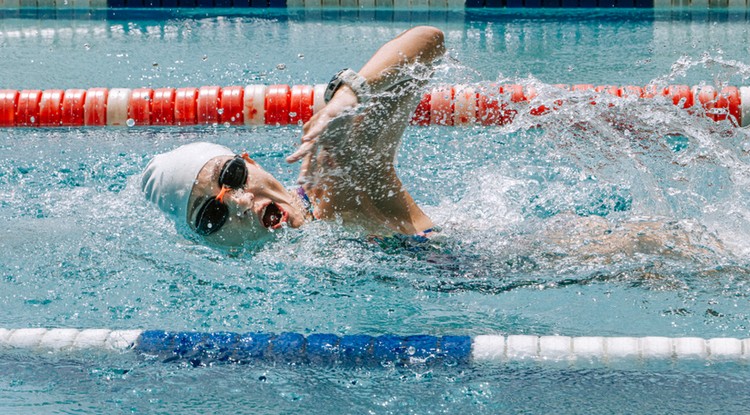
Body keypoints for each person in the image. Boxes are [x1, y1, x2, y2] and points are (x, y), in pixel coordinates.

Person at [141, 26, 446, 247]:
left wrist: (349, 94)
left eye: (233, 175)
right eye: (212, 215)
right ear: (209, 242)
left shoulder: (336, 188)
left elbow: (428, 41)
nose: (243, 202)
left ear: (252, 161)